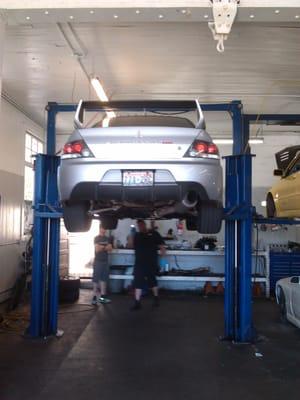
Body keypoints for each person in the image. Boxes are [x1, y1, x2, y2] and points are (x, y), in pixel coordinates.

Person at [131, 219, 166, 310]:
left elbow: (162, 246)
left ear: (145, 225)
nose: (140, 227)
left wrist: (163, 258)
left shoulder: (154, 234)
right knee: (138, 282)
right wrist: (131, 236)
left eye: (142, 225)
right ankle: (137, 302)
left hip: (151, 263)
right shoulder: (137, 235)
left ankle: (156, 298)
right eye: (139, 226)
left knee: (152, 281)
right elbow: (131, 246)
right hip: (139, 263)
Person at [91, 226, 113, 305]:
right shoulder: (96, 238)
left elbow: (110, 248)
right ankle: (94, 298)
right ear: (100, 229)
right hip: (98, 261)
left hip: (105, 261)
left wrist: (102, 247)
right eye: (103, 228)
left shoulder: (108, 238)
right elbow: (97, 249)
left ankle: (102, 298)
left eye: (105, 228)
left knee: (104, 279)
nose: (104, 230)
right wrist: (105, 247)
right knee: (96, 280)